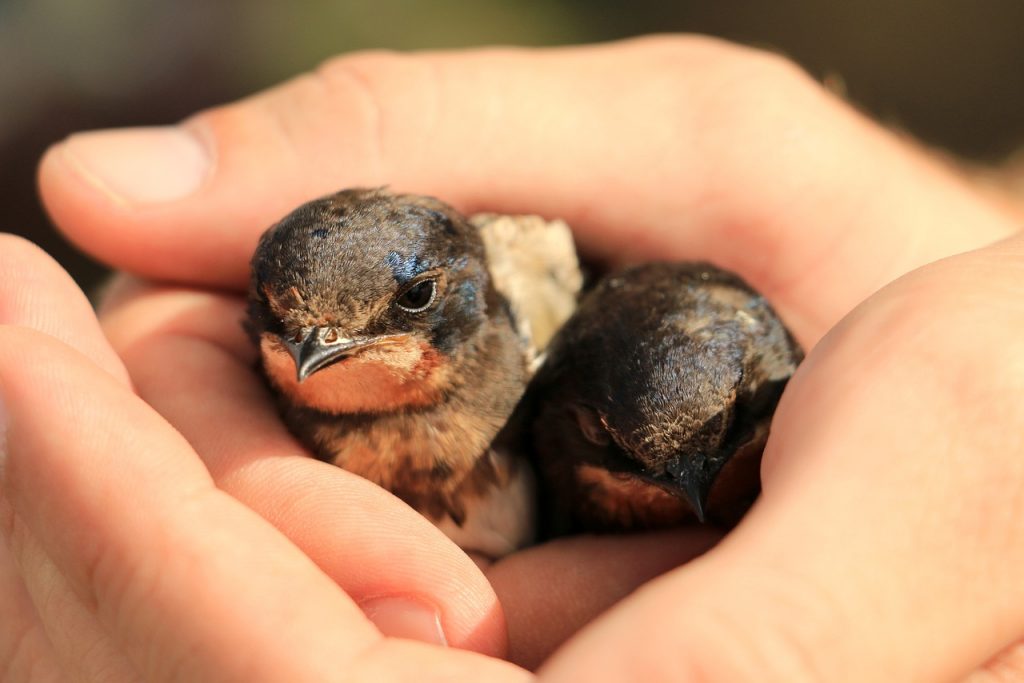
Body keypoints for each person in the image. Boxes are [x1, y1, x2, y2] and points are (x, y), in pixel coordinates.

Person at [2, 35, 1023, 682]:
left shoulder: (535, 297)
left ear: (465, 292)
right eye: (291, 328)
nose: (322, 354)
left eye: (402, 304)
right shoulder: (276, 391)